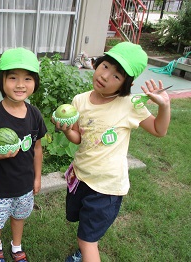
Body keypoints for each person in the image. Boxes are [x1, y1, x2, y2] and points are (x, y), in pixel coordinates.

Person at [53, 42, 171, 262]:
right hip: (81, 178)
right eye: (105, 66)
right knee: (86, 228)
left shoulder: (129, 104)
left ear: (126, 85)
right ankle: (87, 246)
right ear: (97, 63)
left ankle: (86, 249)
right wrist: (68, 129)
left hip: (107, 188)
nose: (106, 76)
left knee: (86, 241)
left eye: (117, 76)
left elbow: (158, 129)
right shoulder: (80, 100)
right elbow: (78, 138)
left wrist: (164, 106)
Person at [0, 48, 47, 262]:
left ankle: (16, 246)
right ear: (2, 81)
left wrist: (37, 177)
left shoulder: (34, 114)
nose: (20, 84)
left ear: (34, 82)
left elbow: (37, 148)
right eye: (13, 77)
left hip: (24, 183)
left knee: (19, 217)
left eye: (27, 78)